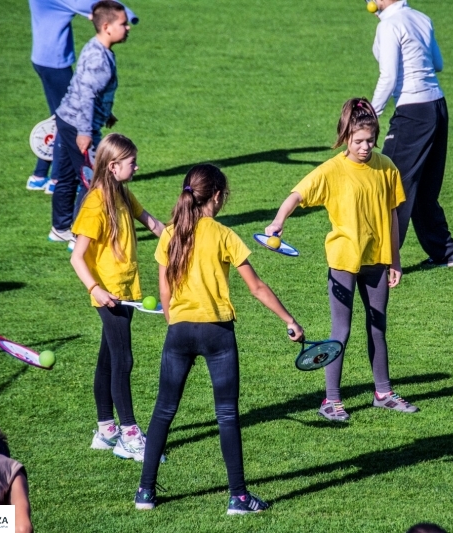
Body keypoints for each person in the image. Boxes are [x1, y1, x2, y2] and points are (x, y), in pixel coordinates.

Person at [135, 164, 304, 514]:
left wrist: (174, 320)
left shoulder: (169, 234)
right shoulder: (224, 235)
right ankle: (238, 497)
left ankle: (145, 493)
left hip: (179, 331)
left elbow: (164, 288)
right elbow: (255, 287)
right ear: (216, 196)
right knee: (226, 415)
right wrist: (289, 320)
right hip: (217, 333)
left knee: (164, 411)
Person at [266, 97, 419, 422]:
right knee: (341, 331)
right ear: (346, 137)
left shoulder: (386, 167)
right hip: (343, 261)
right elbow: (297, 195)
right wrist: (279, 222)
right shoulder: (333, 170)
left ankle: (384, 393)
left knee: (378, 326)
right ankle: (331, 401)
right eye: (359, 141)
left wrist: (396, 259)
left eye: (370, 141)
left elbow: (392, 215)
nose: (365, 147)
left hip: (377, 261)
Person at [69, 133, 164, 461]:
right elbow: (76, 257)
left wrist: (176, 238)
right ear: (113, 166)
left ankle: (106, 429)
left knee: (108, 358)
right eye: (132, 162)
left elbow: (149, 220)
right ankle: (129, 433)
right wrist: (96, 289)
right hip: (110, 295)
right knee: (124, 360)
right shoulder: (95, 204)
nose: (137, 166)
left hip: (127, 290)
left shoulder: (122, 192)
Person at [370, 0, 453, 267]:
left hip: (412, 111)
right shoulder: (421, 17)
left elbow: (388, 76)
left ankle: (383, 260)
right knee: (424, 187)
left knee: (388, 181)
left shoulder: (389, 25)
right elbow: (438, 63)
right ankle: (445, 252)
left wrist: (370, 116)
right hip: (437, 106)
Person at [26, 0, 138, 193]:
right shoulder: (97, 53)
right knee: (67, 121)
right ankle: (53, 178)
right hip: (55, 62)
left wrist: (105, 112)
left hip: (43, 57)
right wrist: (127, 13)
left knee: (61, 119)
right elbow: (91, 4)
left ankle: (43, 176)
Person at [49, 0, 133, 249]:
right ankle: (79, 236)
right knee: (96, 180)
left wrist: (107, 113)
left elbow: (88, 89)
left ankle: (60, 228)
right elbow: (86, 95)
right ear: (107, 26)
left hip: (67, 119)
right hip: (78, 126)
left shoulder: (96, 48)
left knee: (66, 176)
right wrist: (85, 132)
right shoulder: (100, 59)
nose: (128, 28)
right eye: (123, 23)